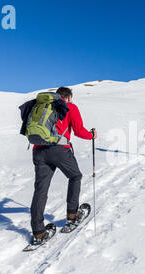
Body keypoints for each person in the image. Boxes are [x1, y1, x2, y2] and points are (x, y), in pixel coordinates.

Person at [29, 87, 97, 244]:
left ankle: (38, 232)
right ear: (69, 97)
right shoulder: (70, 107)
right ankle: (72, 215)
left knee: (41, 189)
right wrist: (91, 135)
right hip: (59, 149)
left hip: (38, 150)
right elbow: (79, 131)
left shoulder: (41, 107)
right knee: (75, 176)